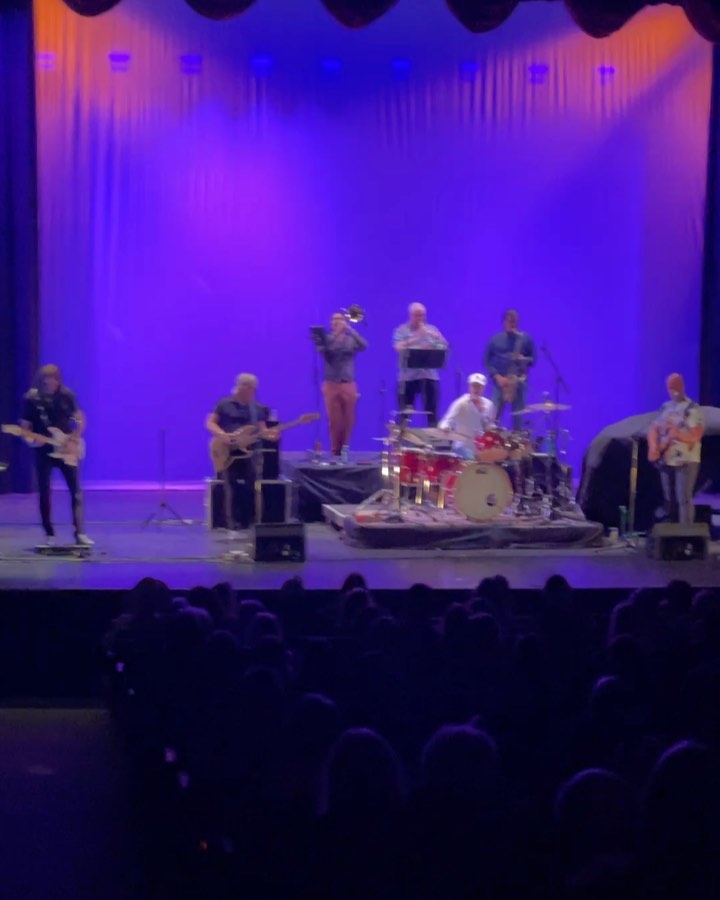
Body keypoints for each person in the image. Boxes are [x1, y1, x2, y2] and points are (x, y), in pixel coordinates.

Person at [20, 364, 92, 546]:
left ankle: (80, 533)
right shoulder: (32, 398)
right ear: (41, 381)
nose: (50, 383)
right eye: (46, 380)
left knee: (75, 491)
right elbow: (25, 428)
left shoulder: (67, 395)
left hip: (66, 449)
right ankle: (49, 534)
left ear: (58, 380)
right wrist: (32, 441)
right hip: (43, 451)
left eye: (53, 380)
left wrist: (75, 437)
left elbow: (80, 418)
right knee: (44, 492)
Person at [206, 373, 278, 537]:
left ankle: (249, 522)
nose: (253, 391)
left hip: (250, 453)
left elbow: (262, 430)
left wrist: (271, 435)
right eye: (251, 388)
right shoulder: (224, 404)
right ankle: (232, 523)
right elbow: (210, 422)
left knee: (251, 486)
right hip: (229, 451)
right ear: (243, 388)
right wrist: (222, 434)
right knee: (230, 487)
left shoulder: (258, 408)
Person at [647, 373, 704, 524]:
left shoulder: (692, 409)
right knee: (669, 499)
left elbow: (696, 435)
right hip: (667, 459)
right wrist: (653, 446)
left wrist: (677, 434)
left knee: (683, 498)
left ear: (682, 386)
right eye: (671, 387)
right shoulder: (666, 407)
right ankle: (671, 531)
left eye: (676, 386)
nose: (673, 390)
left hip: (685, 460)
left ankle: (686, 531)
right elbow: (654, 428)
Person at [317, 312, 367, 459]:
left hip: (348, 382)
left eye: (340, 319)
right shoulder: (326, 338)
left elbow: (364, 345)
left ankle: (345, 448)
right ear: (331, 323)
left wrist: (351, 329)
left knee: (349, 418)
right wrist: (337, 333)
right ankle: (335, 450)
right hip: (331, 383)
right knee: (334, 420)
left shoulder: (350, 339)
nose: (337, 322)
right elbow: (323, 350)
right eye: (334, 319)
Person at [393, 302, 448, 426]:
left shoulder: (432, 329)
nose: (421, 318)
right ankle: (401, 436)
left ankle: (433, 437)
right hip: (407, 378)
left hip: (429, 376)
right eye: (417, 315)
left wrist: (438, 339)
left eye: (423, 315)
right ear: (410, 315)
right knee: (404, 414)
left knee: (432, 413)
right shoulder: (401, 330)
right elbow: (398, 347)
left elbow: (443, 346)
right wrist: (417, 337)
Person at [484, 309, 536, 429]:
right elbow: (486, 361)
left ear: (518, 322)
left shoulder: (525, 339)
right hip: (500, 382)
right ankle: (492, 438)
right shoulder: (496, 339)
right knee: (494, 415)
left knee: (518, 417)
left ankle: (516, 438)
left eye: (514, 321)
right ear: (503, 322)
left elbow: (534, 359)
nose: (511, 324)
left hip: (518, 383)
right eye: (508, 321)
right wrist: (497, 376)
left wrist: (524, 359)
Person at [439, 373, 496, 459]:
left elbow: (489, 424)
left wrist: (493, 430)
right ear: (469, 387)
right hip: (463, 447)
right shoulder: (460, 403)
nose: (476, 389)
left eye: (479, 386)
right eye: (474, 386)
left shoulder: (489, 405)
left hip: (481, 447)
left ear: (483, 388)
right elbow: (447, 420)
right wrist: (445, 428)